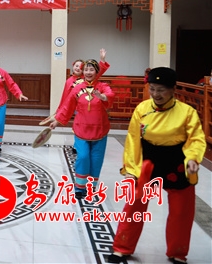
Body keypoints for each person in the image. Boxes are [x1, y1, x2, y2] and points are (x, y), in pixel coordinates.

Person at [107, 67, 206, 264]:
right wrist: (130, 170)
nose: (155, 94)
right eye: (152, 89)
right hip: (148, 161)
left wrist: (193, 158)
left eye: (161, 90)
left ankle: (177, 253)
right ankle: (122, 247)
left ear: (173, 89)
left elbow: (196, 138)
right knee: (133, 206)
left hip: (177, 162)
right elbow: (133, 140)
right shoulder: (142, 109)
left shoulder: (187, 112)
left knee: (181, 211)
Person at [49, 58, 115, 198]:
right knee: (83, 157)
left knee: (96, 159)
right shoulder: (77, 88)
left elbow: (110, 95)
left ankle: (91, 186)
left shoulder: (102, 86)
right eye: (86, 69)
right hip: (81, 129)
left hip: (100, 129)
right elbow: (67, 106)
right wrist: (57, 121)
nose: (88, 72)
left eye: (91, 69)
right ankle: (79, 187)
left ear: (96, 72)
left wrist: (102, 96)